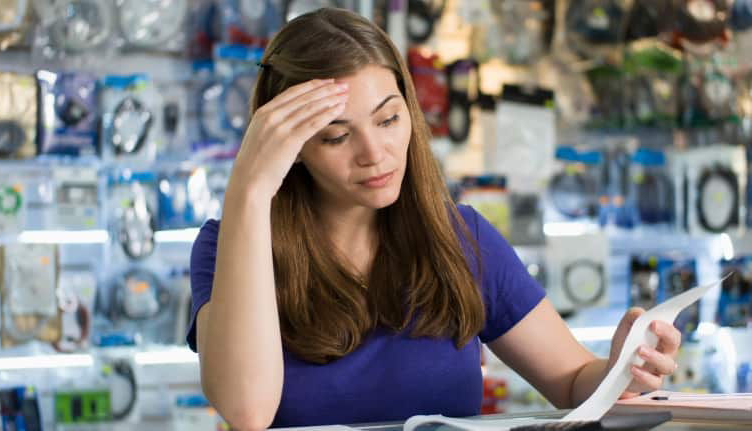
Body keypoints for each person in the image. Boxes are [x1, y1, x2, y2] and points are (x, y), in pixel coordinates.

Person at [187, 7, 682, 430]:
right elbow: (247, 411)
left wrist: (623, 370)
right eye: (336, 136)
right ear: (290, 149)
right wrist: (250, 189)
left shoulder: (461, 238)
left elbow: (573, 382)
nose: (374, 153)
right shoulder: (230, 246)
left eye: (388, 119)